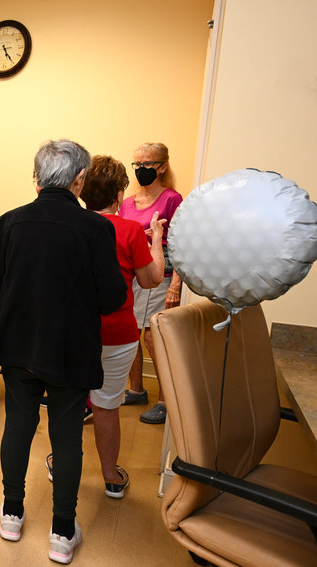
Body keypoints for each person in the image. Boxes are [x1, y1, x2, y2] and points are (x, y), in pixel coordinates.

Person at [0, 139, 125, 564]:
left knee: (17, 426)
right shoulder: (98, 229)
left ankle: (11, 514)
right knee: (65, 439)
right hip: (71, 352)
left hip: (19, 347)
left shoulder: (8, 222)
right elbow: (112, 297)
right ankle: (62, 533)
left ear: (37, 177)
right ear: (79, 180)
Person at [78, 155, 165, 499]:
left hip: (75, 335)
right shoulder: (129, 230)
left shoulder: (71, 225)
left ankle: (63, 463)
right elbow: (152, 279)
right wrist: (154, 239)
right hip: (117, 336)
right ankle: (111, 477)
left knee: (71, 403)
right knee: (106, 407)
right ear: (118, 194)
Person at [119, 142, 183, 424]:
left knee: (152, 337)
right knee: (131, 333)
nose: (141, 170)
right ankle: (136, 389)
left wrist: (176, 285)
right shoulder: (127, 202)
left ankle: (165, 401)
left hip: (160, 271)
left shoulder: (172, 199)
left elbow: (183, 244)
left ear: (162, 166)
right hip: (131, 272)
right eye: (137, 165)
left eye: (148, 164)